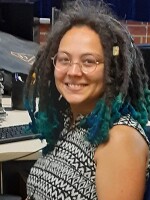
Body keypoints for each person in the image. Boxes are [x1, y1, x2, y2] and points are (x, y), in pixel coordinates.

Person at [24, 0, 150, 199]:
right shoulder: (71, 119)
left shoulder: (119, 138)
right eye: (64, 59)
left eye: (88, 61)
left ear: (112, 71)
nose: (73, 72)